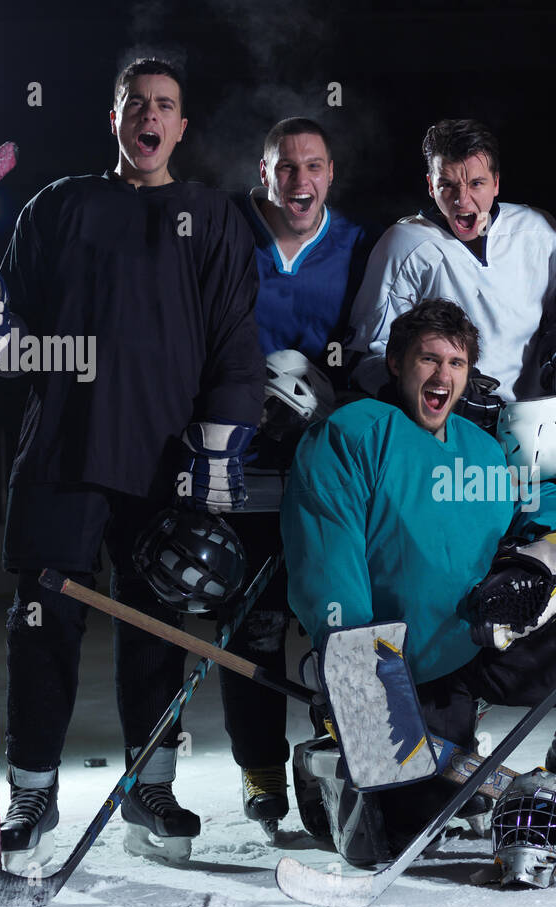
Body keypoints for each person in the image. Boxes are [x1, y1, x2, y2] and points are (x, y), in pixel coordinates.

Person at [0, 58, 264, 868]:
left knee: (154, 627)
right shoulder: (60, 207)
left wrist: (219, 446)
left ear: (181, 127)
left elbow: (234, 342)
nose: (149, 117)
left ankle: (149, 784)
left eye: (164, 106)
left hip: (164, 456)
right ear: (114, 118)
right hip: (62, 451)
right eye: (135, 105)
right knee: (45, 624)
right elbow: (13, 346)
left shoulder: (213, 217)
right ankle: (33, 788)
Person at [282, 298, 556, 869]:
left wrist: (534, 562)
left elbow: (548, 507)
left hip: (466, 652)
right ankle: (324, 763)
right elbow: (327, 560)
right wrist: (356, 670)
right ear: (397, 366)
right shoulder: (353, 434)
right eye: (428, 360)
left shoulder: (478, 448)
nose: (441, 376)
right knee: (399, 834)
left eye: (455, 363)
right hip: (387, 663)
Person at [221, 117, 371, 839]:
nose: (299, 181)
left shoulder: (356, 244)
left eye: (312, 166)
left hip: (324, 470)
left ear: (330, 173)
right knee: (252, 624)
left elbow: (373, 345)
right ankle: (259, 769)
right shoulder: (230, 237)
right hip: (246, 462)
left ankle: (342, 754)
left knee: (334, 620)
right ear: (265, 172)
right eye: (285, 167)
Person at [346, 119, 556, 430]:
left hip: (535, 427)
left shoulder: (539, 232)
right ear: (431, 185)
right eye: (447, 185)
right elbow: (365, 357)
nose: (462, 200)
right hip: (444, 428)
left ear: (496, 182)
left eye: (476, 183)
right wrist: (443, 393)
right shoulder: (404, 245)